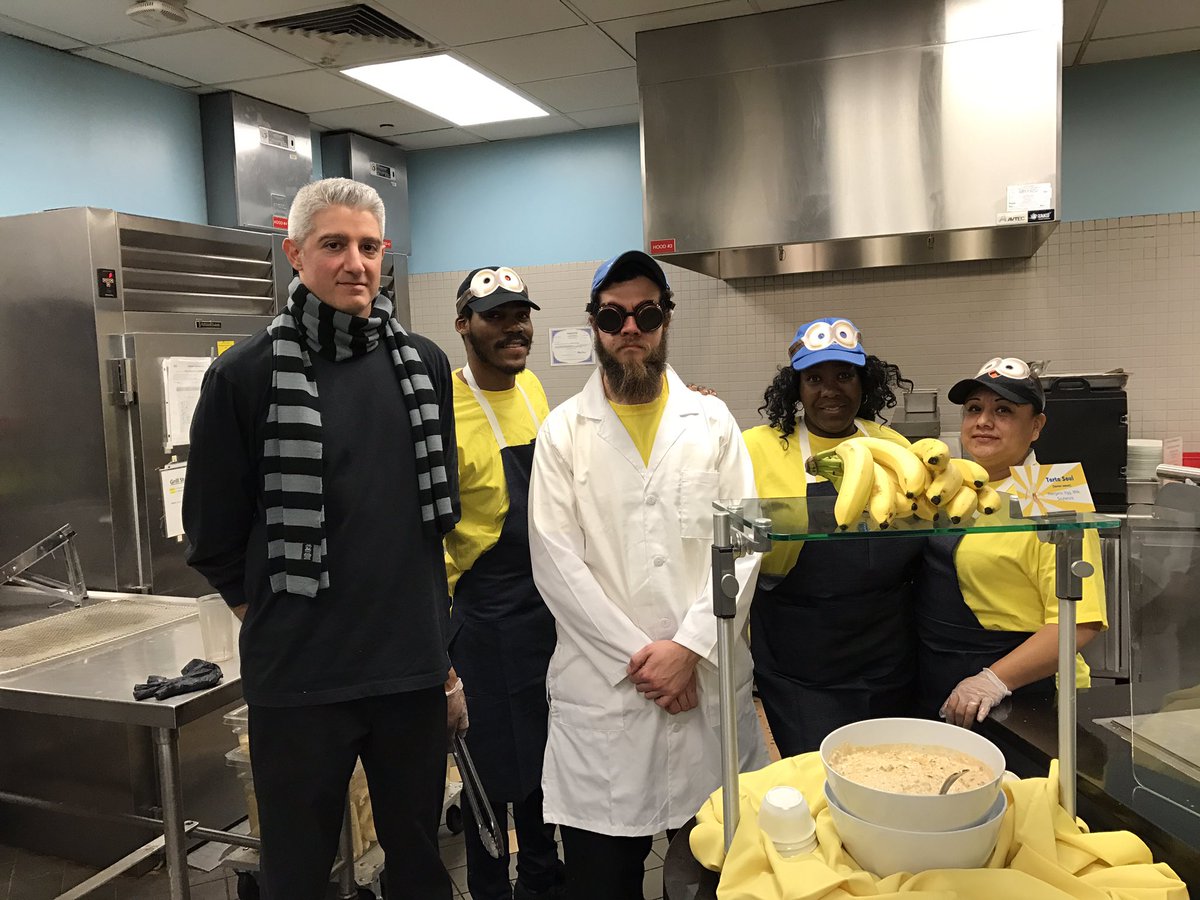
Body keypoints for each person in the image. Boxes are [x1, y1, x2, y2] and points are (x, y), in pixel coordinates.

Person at [183, 177, 464, 900]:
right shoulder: (243, 376)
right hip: (299, 683)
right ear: (296, 253)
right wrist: (282, 620)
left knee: (419, 866)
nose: (355, 263)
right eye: (334, 244)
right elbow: (212, 537)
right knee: (298, 874)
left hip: (409, 674)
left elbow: (433, 526)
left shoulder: (424, 365)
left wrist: (443, 667)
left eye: (369, 247)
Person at [528, 250, 768, 900]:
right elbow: (556, 563)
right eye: (613, 316)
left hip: (706, 694)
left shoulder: (714, 423)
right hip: (608, 703)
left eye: (646, 313)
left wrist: (690, 649)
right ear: (594, 324)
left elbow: (745, 543)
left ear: (666, 320)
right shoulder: (562, 434)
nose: (630, 328)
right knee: (602, 883)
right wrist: (647, 663)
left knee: (718, 880)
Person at [741, 318, 922, 756]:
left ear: (864, 382)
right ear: (796, 388)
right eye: (814, 379)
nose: (830, 390)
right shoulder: (758, 446)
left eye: (844, 375)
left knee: (886, 769)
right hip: (798, 653)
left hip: (886, 648)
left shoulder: (893, 447)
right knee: (814, 767)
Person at [444, 266, 565, 900]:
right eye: (496, 316)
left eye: (521, 315)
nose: (514, 328)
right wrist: (442, 665)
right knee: (487, 774)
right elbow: (424, 541)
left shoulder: (534, 389)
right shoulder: (441, 411)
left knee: (547, 762)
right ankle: (490, 885)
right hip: (483, 617)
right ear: (464, 324)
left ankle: (542, 879)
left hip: (544, 610)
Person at [916, 357, 1107, 729]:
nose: (983, 421)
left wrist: (992, 681)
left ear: (1036, 426)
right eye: (974, 409)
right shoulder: (945, 488)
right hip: (940, 675)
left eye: (1003, 410)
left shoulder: (1052, 494)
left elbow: (1079, 623)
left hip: (1024, 692)